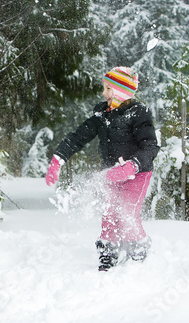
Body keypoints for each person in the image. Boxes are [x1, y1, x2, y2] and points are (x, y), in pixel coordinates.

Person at [45, 67, 160, 271]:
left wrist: (132, 165)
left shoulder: (139, 113)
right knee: (109, 214)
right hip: (110, 173)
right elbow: (78, 137)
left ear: (122, 91)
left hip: (137, 174)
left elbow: (150, 146)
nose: (104, 93)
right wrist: (58, 158)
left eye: (109, 89)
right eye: (104, 88)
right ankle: (108, 252)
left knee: (126, 212)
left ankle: (138, 250)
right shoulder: (101, 115)